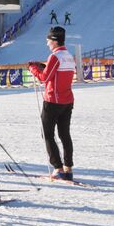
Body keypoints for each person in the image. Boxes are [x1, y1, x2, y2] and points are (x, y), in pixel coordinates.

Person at [28, 25, 77, 181]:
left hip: (53, 101)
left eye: (48, 40)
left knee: (47, 134)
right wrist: (41, 66)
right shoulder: (69, 56)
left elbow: (44, 78)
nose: (47, 43)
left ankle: (58, 168)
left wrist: (33, 69)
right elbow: (55, 72)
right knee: (64, 134)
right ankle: (68, 169)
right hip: (67, 100)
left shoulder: (55, 56)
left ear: (54, 41)